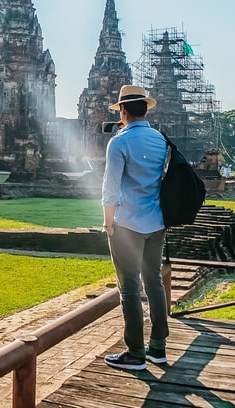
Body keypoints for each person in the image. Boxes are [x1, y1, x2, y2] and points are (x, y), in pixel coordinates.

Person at [102, 84, 169, 370]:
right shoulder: (160, 140)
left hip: (126, 224)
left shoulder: (119, 142)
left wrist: (107, 223)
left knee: (129, 287)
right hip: (156, 223)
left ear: (124, 111)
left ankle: (136, 352)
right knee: (153, 281)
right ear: (146, 109)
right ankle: (158, 347)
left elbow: (110, 188)